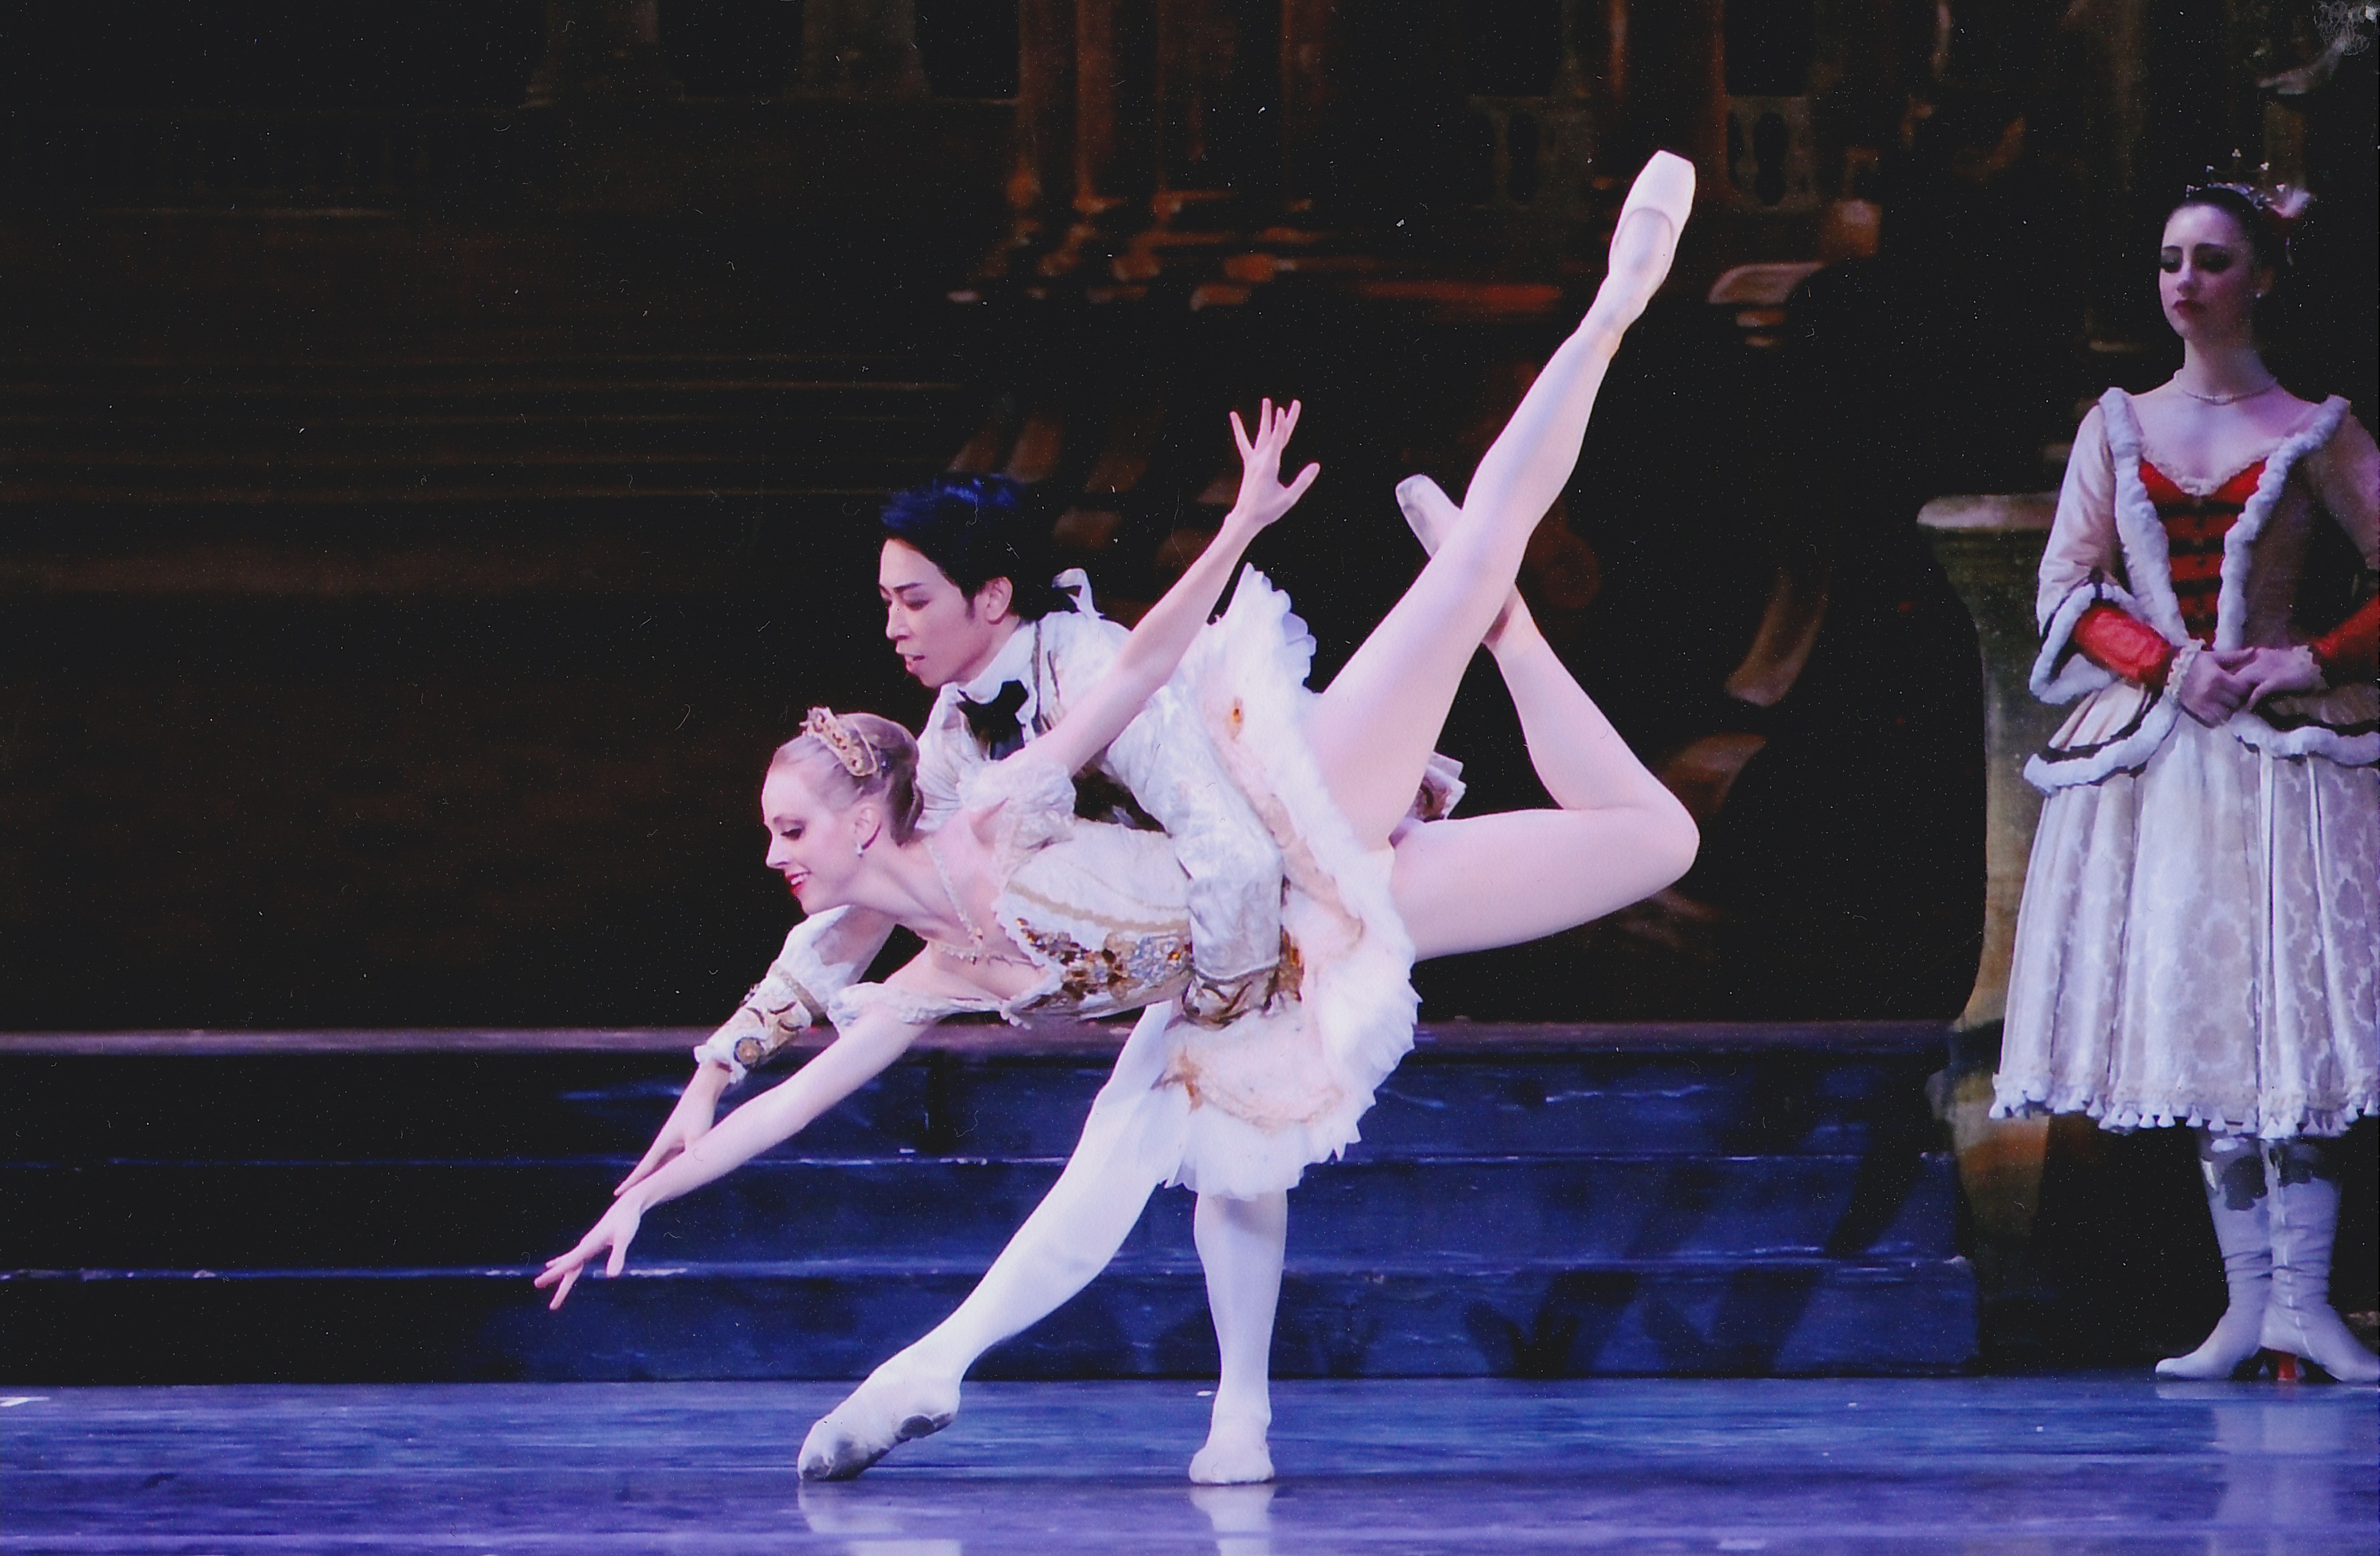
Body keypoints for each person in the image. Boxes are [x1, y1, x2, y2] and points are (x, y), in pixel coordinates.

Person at [538, 151, 1705, 1478]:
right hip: (1254, 943)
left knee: (1482, 562)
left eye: (913, 600)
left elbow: (1163, 705)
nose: (894, 628)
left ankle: (1611, 308)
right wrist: (672, 1145)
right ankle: (1126, 1401)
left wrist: (1241, 530)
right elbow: (824, 980)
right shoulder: (936, 831)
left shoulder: (1024, 751)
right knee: (1652, 844)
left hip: (1295, 819)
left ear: (987, 598)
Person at [1991, 180, 2378, 1382]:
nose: (2184, 282)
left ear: (2262, 275)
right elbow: (2066, 587)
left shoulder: (2316, 429)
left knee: (2292, 1032)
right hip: (2165, 760)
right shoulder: (2117, 427)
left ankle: (2307, 1304)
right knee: (2205, 1023)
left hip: (2281, 758)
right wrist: (2169, 665)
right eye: (2170, 260)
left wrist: (2307, 658)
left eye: (2211, 259)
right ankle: (2246, 1306)